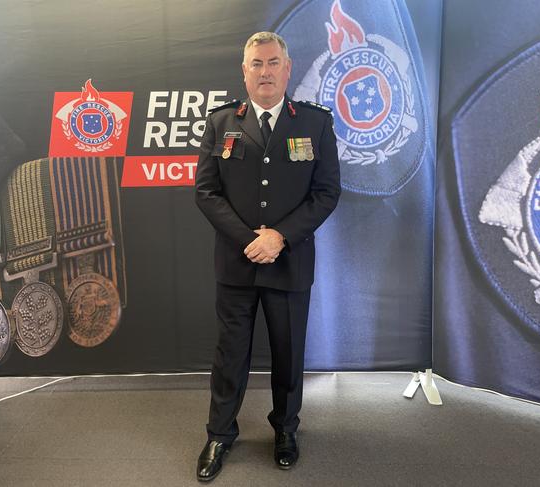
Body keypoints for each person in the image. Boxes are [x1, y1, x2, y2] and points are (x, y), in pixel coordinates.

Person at [194, 31, 341, 482]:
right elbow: (206, 191)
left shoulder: (314, 124)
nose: (265, 71)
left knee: (288, 352)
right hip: (237, 264)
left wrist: (279, 236)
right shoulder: (221, 123)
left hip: (290, 261)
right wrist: (248, 239)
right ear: (244, 71)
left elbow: (327, 192)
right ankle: (220, 433)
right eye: (256, 64)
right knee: (230, 356)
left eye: (273, 62)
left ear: (288, 68)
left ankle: (285, 430)